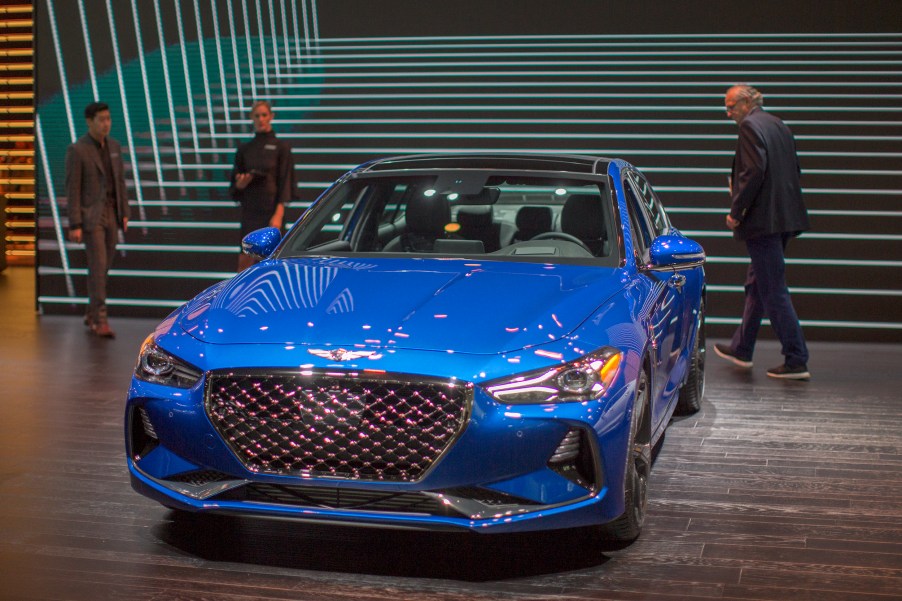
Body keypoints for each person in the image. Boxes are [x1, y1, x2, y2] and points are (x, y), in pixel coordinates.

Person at [713, 85, 811, 379]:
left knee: (772, 289)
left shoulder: (750, 126)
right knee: (758, 284)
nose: (728, 113)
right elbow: (795, 169)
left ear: (746, 102)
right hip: (784, 218)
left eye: (731, 106)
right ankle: (742, 348)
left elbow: (753, 172)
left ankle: (796, 358)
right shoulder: (778, 124)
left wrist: (736, 211)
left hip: (763, 222)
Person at [65, 101, 130, 338]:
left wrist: (125, 212)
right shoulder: (78, 149)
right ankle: (100, 319)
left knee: (103, 267)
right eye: (101, 119)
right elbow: (72, 189)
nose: (106, 124)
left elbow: (120, 181)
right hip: (91, 217)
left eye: (108, 119)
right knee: (98, 266)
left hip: (112, 212)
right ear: (89, 121)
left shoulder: (114, 146)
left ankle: (91, 311)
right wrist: (75, 223)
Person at [229, 100, 296, 271]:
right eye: (257, 115)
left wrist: (278, 215)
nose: (260, 119)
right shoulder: (244, 149)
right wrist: (241, 183)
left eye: (264, 115)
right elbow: (234, 187)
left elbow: (285, 181)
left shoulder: (282, 147)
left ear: (271, 117)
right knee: (244, 264)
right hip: (250, 212)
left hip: (272, 212)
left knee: (275, 263)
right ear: (251, 118)